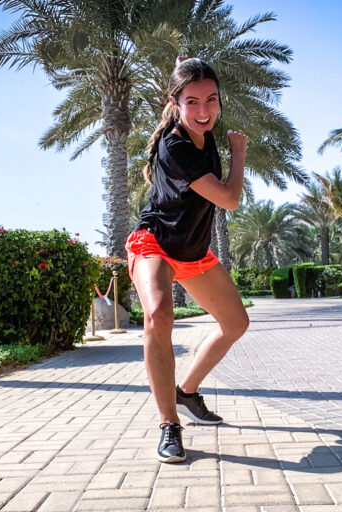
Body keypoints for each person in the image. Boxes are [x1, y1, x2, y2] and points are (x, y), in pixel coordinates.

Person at [126, 57, 250, 463]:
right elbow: (230, 199)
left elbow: (187, 80)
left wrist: (184, 65)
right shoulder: (176, 144)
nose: (203, 111)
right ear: (175, 103)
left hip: (194, 251)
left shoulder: (202, 133)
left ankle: (187, 391)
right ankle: (169, 425)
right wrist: (239, 152)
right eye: (192, 102)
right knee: (160, 313)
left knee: (236, 323)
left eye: (211, 100)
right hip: (155, 244)